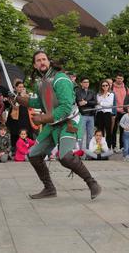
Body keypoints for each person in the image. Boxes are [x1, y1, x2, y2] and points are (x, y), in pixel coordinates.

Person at [20, 51, 101, 200]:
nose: (42, 62)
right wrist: (21, 100)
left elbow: (65, 107)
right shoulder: (42, 82)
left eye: (44, 59)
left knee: (65, 157)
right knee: (34, 155)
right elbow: (40, 102)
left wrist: (42, 118)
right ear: (34, 64)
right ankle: (49, 189)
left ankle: (92, 183)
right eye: (38, 60)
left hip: (69, 121)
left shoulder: (60, 79)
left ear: (49, 61)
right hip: (53, 123)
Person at [6, 80, 33, 148]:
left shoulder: (26, 95)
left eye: (22, 87)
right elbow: (14, 105)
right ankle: (14, 148)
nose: (21, 88)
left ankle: (27, 148)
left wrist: (25, 96)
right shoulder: (12, 95)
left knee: (26, 131)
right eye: (19, 87)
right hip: (15, 116)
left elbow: (30, 104)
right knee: (14, 132)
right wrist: (19, 96)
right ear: (16, 88)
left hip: (24, 115)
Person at [76, 77, 97, 149]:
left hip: (91, 115)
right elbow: (79, 102)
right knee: (80, 135)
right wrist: (85, 102)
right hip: (82, 115)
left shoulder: (92, 92)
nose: (86, 83)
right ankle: (79, 152)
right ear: (81, 83)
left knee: (90, 135)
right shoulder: (78, 92)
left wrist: (86, 102)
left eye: (88, 82)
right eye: (85, 82)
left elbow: (95, 102)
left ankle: (89, 153)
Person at [110, 74, 127, 153]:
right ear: (115, 78)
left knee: (123, 130)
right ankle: (114, 146)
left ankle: (122, 146)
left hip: (123, 111)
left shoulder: (125, 88)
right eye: (118, 78)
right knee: (113, 129)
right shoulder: (112, 87)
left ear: (123, 79)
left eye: (121, 78)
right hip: (115, 111)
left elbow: (127, 99)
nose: (119, 80)